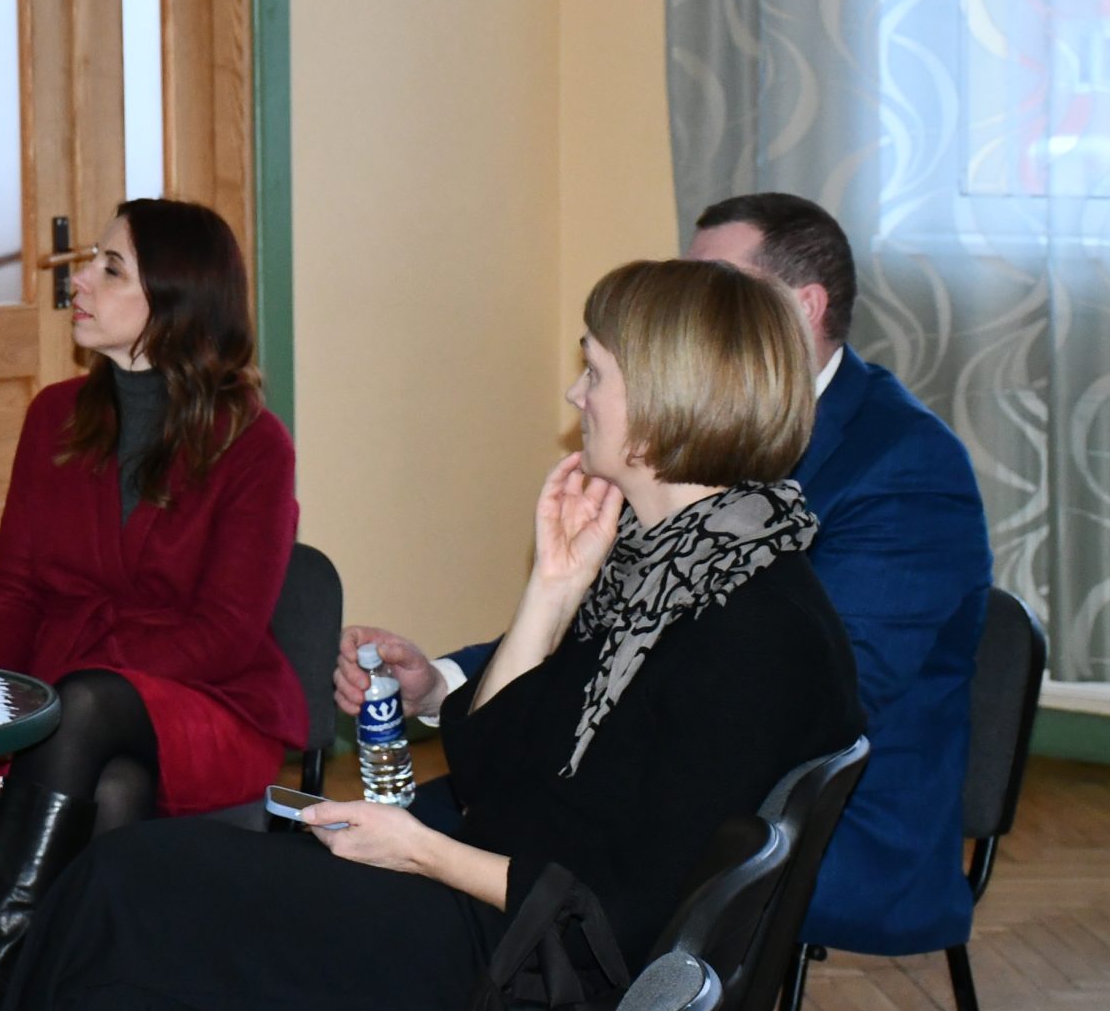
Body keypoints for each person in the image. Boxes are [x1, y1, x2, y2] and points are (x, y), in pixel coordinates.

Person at [0, 260, 864, 1011]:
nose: (576, 392)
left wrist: (418, 851)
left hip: (528, 975)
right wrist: (550, 587)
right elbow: (495, 769)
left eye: (597, 371)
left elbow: (628, 915)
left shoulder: (751, 632)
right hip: (499, 913)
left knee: (123, 884)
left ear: (663, 401)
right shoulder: (670, 568)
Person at [352, 193, 991, 957]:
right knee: (352, 849)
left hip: (826, 840)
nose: (687, 303)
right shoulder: (674, 470)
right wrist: (449, 681)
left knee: (380, 878)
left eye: (718, 282)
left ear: (801, 307)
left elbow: (824, 689)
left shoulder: (904, 464)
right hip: (648, 793)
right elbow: (617, 639)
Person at [0, 199, 305, 1011]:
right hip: (70, 721)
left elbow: (226, 632)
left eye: (111, 267)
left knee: (90, 706)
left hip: (207, 707)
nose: (80, 279)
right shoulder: (56, 418)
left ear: (178, 300)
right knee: (110, 786)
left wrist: (76, 686)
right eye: (92, 262)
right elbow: (14, 584)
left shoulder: (253, 445)